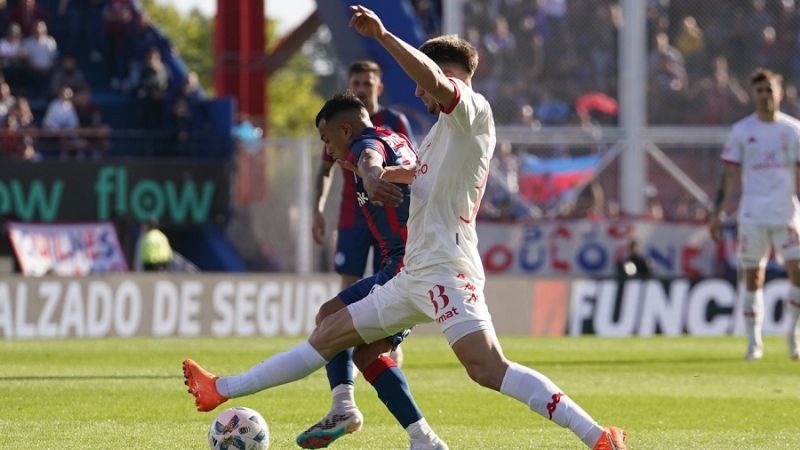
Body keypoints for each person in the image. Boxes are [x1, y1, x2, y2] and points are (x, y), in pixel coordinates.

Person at [183, 6, 627, 450]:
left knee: (487, 368)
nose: (417, 92)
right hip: (413, 272)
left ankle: (597, 436)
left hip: (446, 267)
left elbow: (426, 89)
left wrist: (382, 36)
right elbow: (417, 174)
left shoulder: (472, 111)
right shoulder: (441, 133)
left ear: (445, 74)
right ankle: (223, 388)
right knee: (331, 333)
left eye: (422, 82)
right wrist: (370, 173)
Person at [295, 91, 446, 449]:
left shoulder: (365, 145)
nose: (327, 148)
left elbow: (368, 158)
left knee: (332, 323)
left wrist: (371, 175)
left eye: (326, 138)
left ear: (345, 130)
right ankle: (420, 438)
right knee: (355, 343)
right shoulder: (394, 137)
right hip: (408, 263)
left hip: (408, 268)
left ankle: (348, 409)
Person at [708, 68, 800, 361]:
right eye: (759, 91)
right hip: (753, 215)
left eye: (769, 90)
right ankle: (754, 342)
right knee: (753, 276)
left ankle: (793, 334)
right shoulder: (742, 131)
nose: (764, 96)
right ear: (752, 95)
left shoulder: (793, 130)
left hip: (786, 214)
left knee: (798, 273)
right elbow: (729, 174)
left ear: (780, 93)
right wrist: (717, 212)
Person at [314, 59, 414, 291]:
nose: (361, 89)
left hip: (387, 207)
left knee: (387, 279)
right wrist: (317, 210)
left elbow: (406, 162)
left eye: (367, 84)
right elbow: (325, 170)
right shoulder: (336, 129)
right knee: (349, 279)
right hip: (353, 212)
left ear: (379, 87)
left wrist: (372, 177)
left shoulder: (394, 123)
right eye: (356, 84)